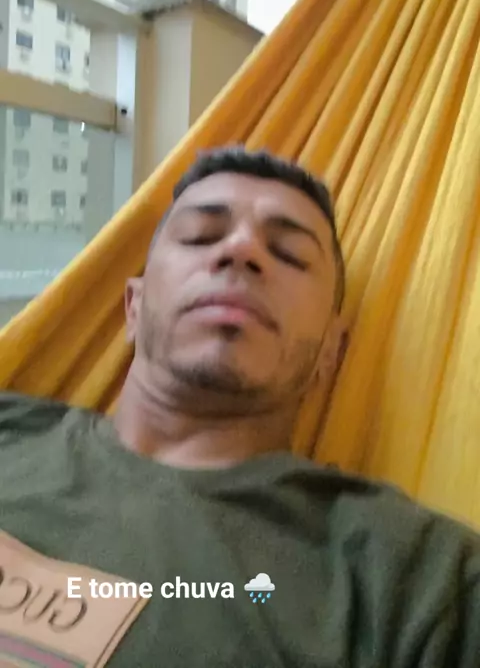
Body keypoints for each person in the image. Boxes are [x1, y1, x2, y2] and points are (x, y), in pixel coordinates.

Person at [0, 146, 479, 668]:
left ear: (331, 351)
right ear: (133, 308)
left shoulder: (418, 581)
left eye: (290, 255)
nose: (241, 250)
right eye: (200, 236)